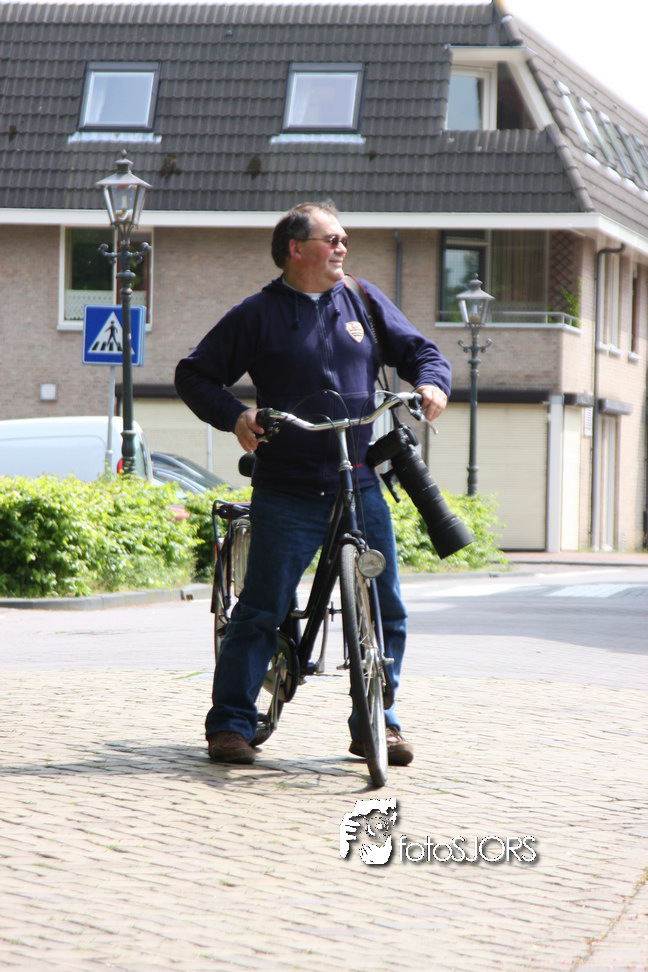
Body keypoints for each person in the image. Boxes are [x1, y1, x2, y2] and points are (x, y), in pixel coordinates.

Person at [174, 201, 451, 766]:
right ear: (296, 249)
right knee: (262, 608)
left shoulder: (363, 300)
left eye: (344, 239)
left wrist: (431, 382)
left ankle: (377, 721)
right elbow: (194, 374)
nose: (343, 247)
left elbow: (422, 351)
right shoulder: (258, 314)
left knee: (386, 607)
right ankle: (230, 724)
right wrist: (235, 415)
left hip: (358, 481)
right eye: (332, 239)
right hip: (288, 487)